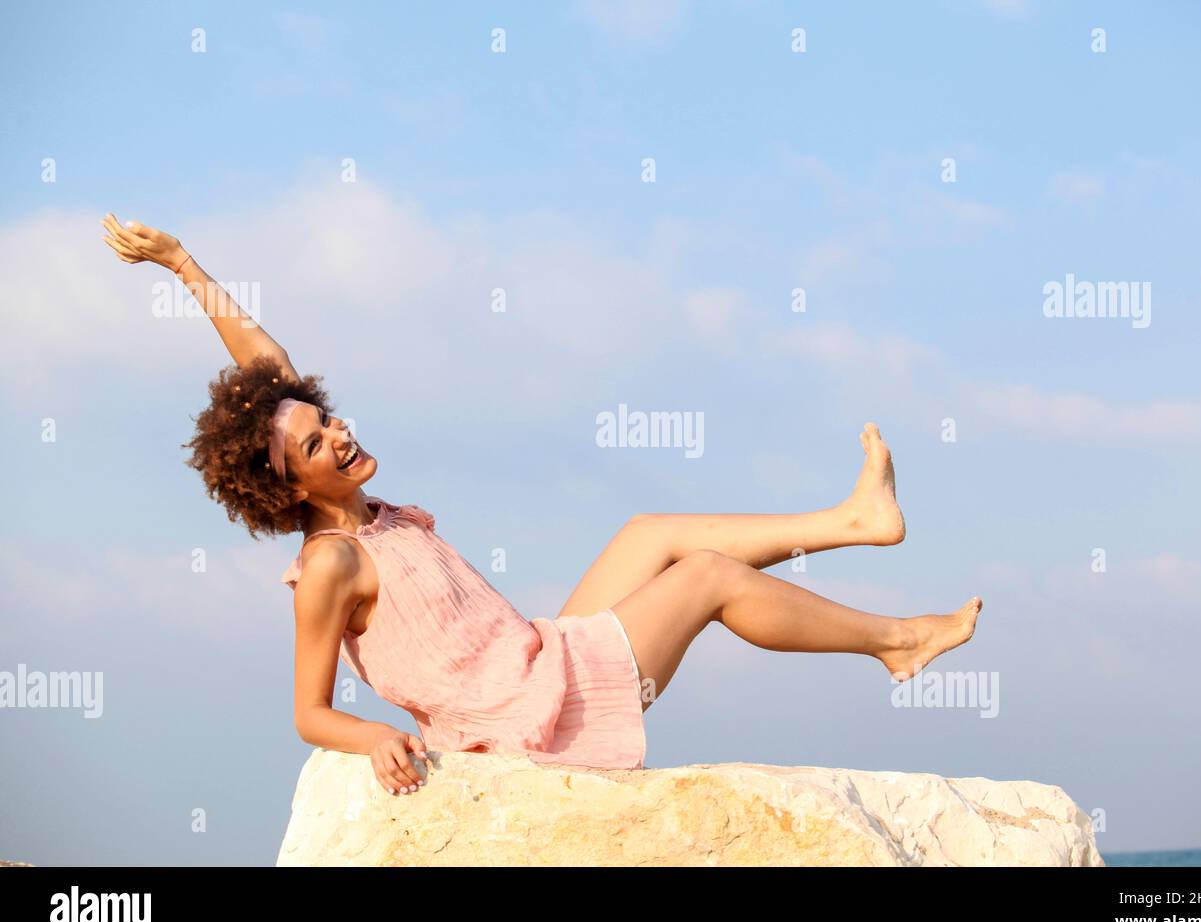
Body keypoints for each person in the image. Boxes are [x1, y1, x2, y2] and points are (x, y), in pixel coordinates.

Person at [100, 213, 982, 795]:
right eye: (313, 444)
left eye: (327, 418)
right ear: (288, 486)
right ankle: (898, 642)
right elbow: (308, 711)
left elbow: (268, 366)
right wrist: (370, 740)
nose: (336, 433)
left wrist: (180, 263)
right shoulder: (332, 561)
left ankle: (855, 522)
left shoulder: (372, 514)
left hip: (537, 660)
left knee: (649, 532)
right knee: (706, 577)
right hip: (526, 724)